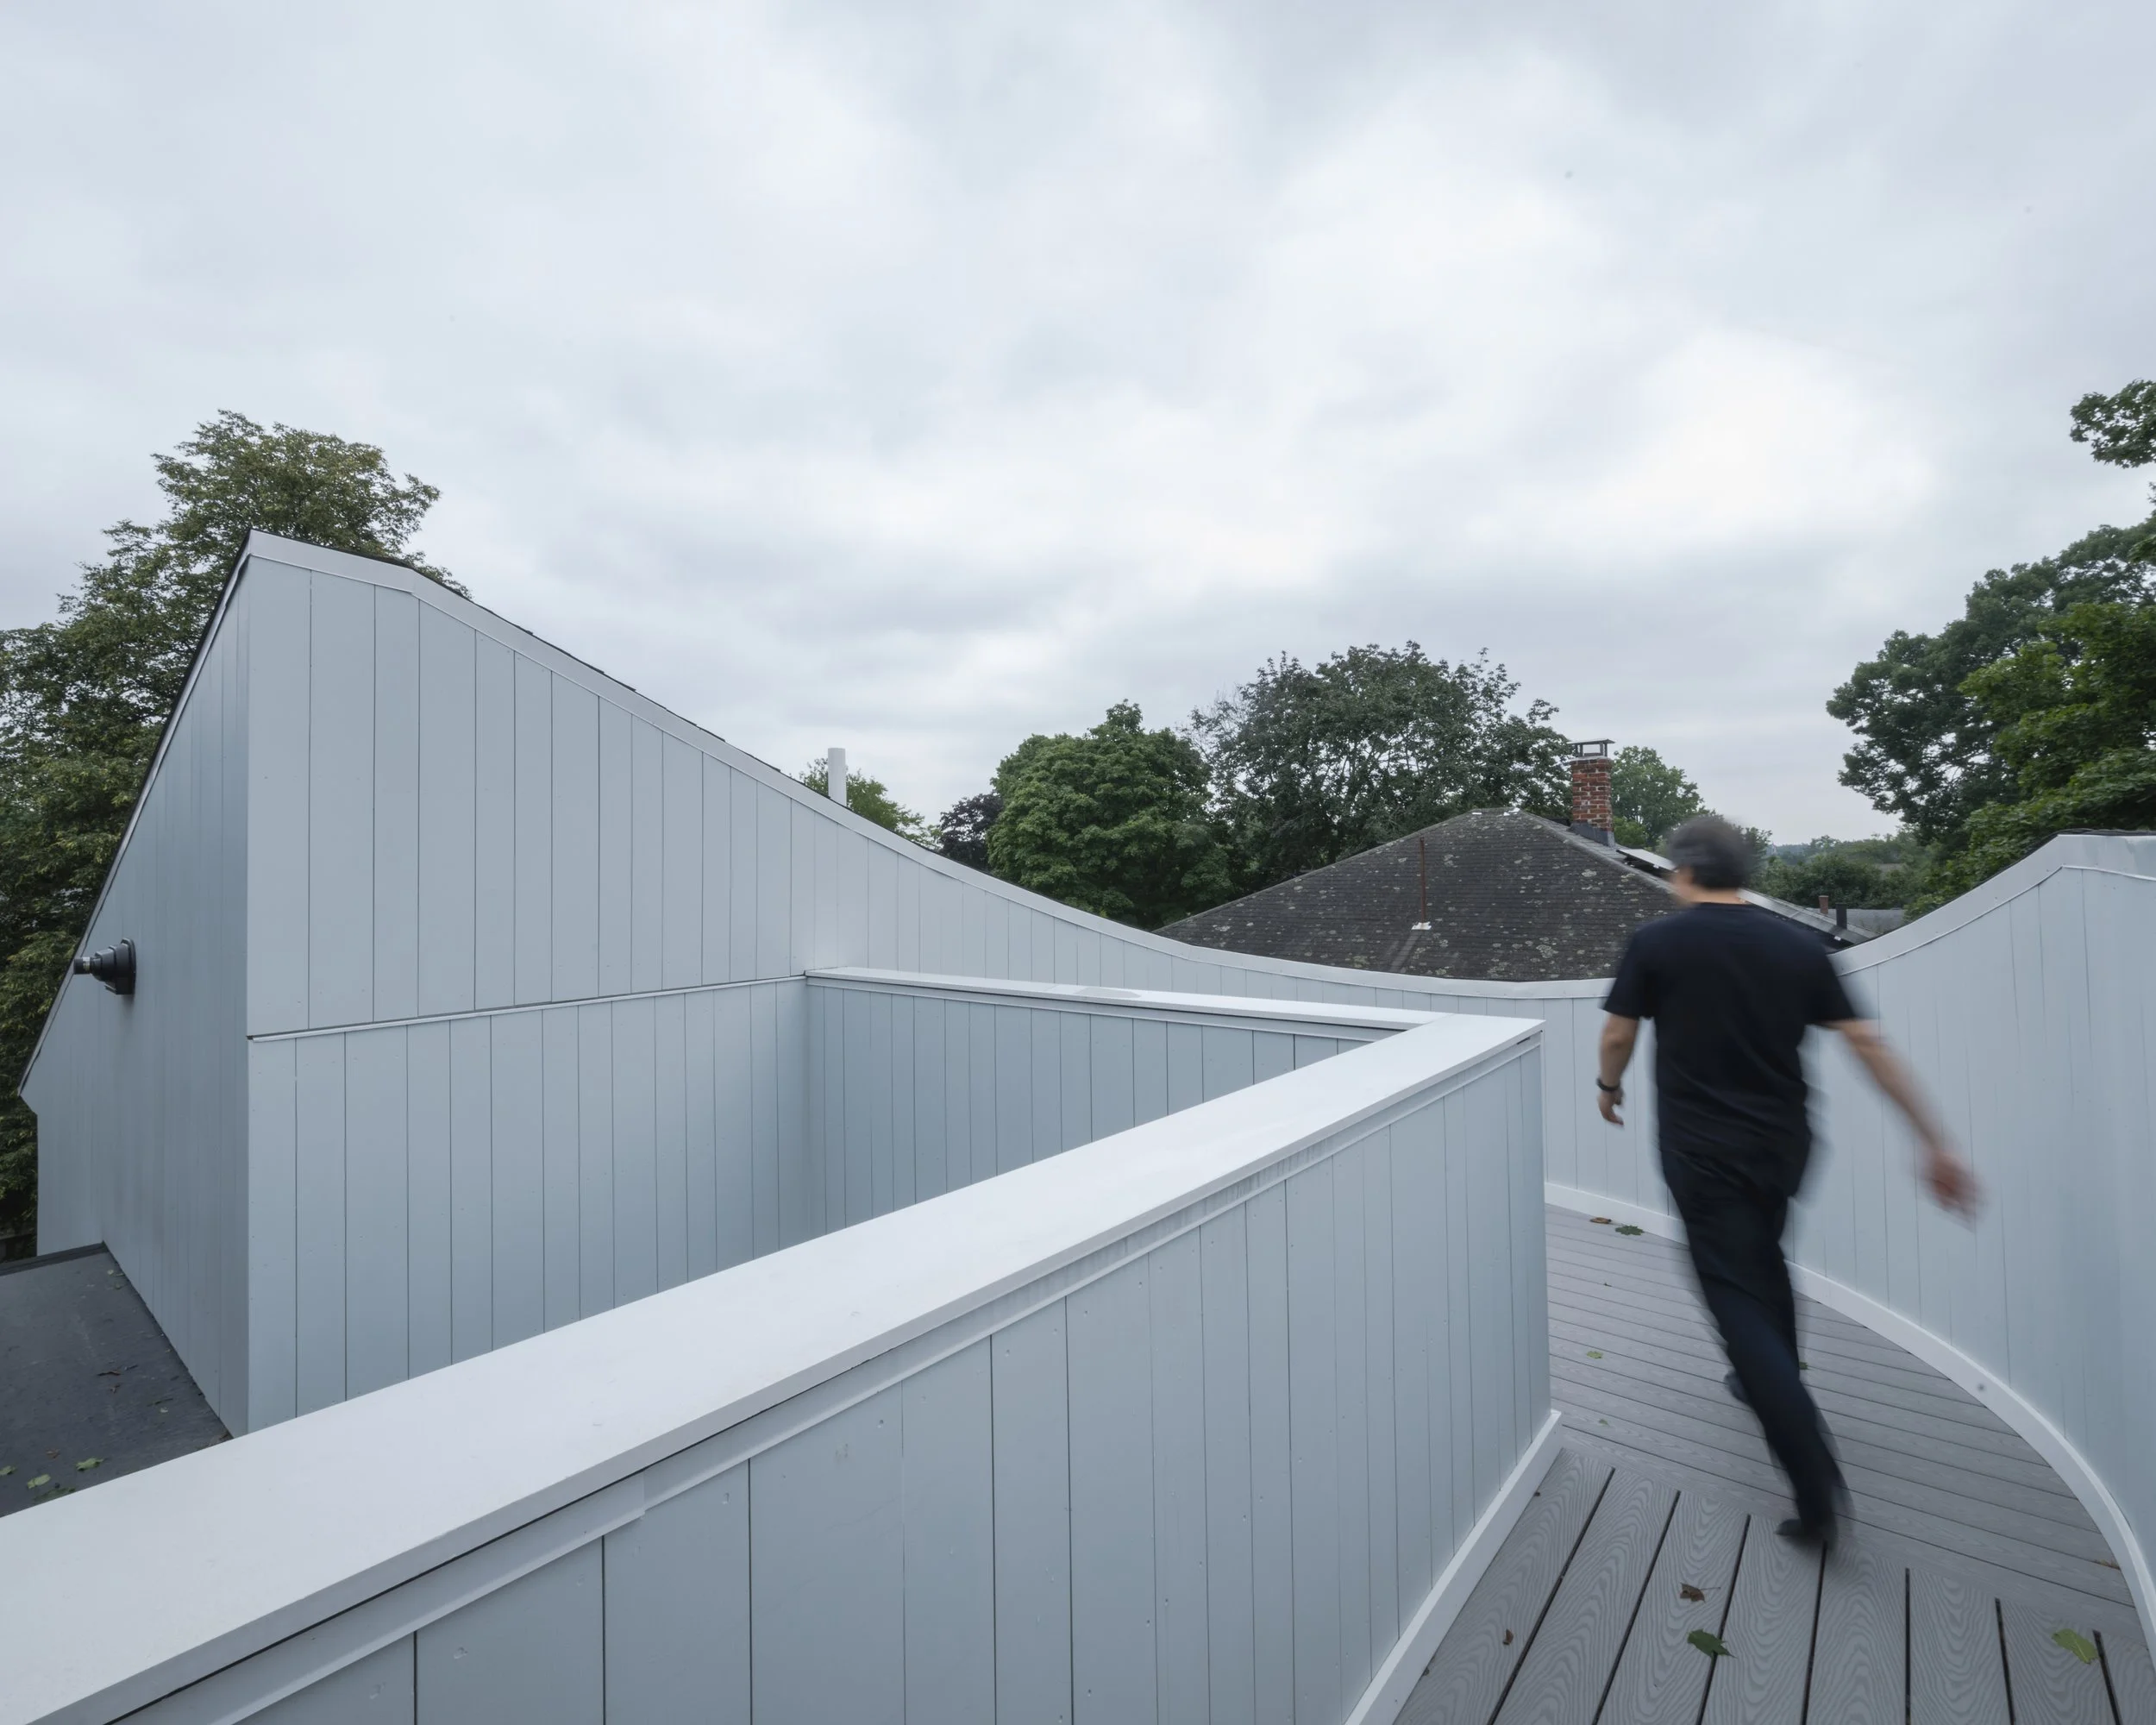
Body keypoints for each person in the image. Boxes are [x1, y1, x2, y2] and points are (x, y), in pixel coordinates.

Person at [1595, 815, 1977, 1549]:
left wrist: (1607, 1086)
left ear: (1683, 871)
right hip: (1785, 1146)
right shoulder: (1796, 945)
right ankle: (1763, 1379)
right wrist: (1934, 1141)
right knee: (1763, 1258)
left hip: (1702, 1153)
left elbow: (1618, 1032)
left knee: (1732, 1292)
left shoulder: (1657, 943)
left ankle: (1812, 1478)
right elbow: (1868, 1043)